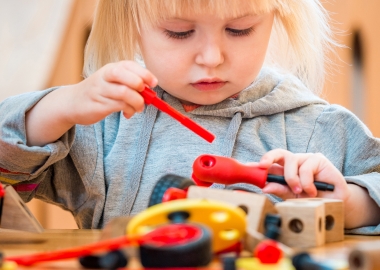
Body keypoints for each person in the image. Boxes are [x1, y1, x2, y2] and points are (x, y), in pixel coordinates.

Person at [1, 0, 380, 233]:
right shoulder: (105, 127)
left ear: (276, 18)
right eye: (179, 32)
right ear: (132, 23)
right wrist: (60, 106)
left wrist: (347, 204)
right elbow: (8, 168)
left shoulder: (314, 127)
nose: (211, 57)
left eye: (239, 29)